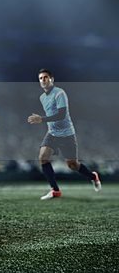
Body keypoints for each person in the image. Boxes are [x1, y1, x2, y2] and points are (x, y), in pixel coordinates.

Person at [28, 68, 101, 200]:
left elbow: (61, 115)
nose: (43, 80)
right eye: (40, 78)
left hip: (67, 134)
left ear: (52, 79)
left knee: (72, 165)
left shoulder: (59, 93)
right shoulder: (42, 97)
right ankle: (55, 190)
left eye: (45, 77)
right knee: (43, 157)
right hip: (52, 134)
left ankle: (93, 176)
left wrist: (42, 119)